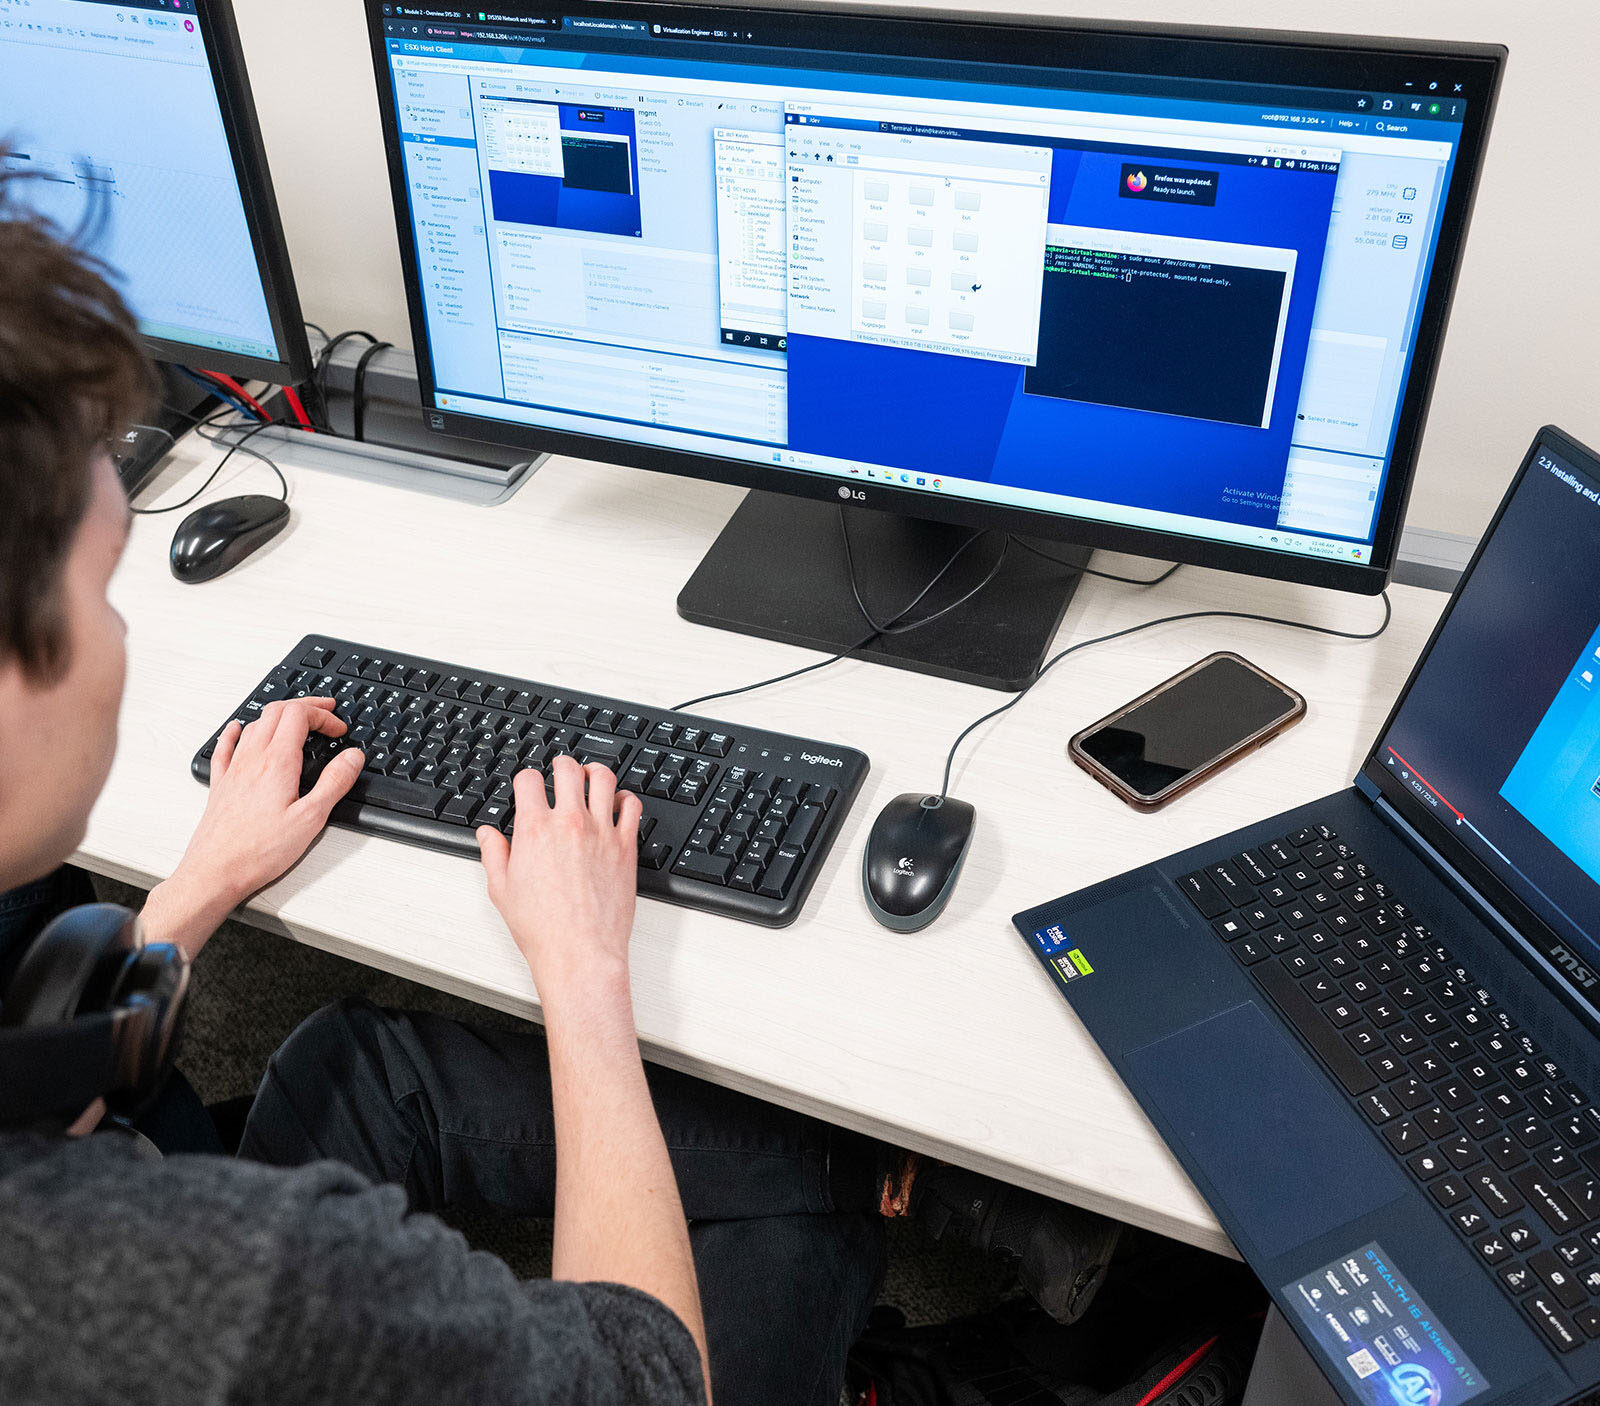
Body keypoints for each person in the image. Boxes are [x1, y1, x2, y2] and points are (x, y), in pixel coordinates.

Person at [0, 164, 1119, 1405]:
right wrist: (583, 969)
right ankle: (894, 1230)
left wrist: (202, 876)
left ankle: (876, 1168)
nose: (120, 631)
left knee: (351, 1061)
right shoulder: (244, 1283)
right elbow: (640, 1376)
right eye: (103, 588)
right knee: (794, 1228)